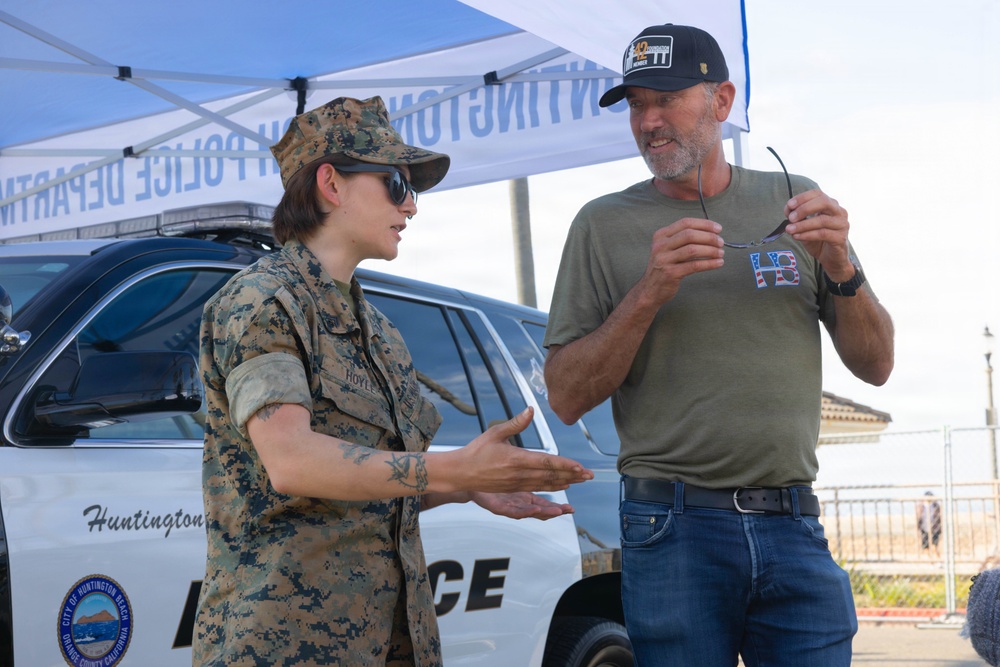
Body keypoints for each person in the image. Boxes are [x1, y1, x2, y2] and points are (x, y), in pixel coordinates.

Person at [192, 95, 593, 666]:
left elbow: (376, 486)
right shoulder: (261, 302)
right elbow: (293, 462)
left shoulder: (379, 332)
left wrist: (466, 484)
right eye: (397, 184)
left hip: (391, 637)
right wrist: (455, 466)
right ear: (331, 184)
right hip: (284, 643)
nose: (411, 207)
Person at [543, 23, 894, 667]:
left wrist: (841, 266)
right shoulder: (602, 224)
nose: (648, 120)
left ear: (722, 101)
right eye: (636, 104)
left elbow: (876, 367)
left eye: (666, 98)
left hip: (794, 522)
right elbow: (564, 396)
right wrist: (650, 289)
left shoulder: (794, 201)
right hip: (673, 528)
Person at [917, 490, 943, 560]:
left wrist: (939, 528)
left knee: (935, 546)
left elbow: (938, 517)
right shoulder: (921, 506)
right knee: (926, 547)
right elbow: (919, 517)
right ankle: (931, 561)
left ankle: (938, 560)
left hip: (934, 528)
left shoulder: (935, 505)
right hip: (924, 528)